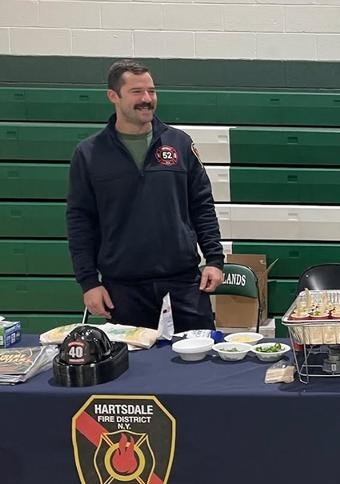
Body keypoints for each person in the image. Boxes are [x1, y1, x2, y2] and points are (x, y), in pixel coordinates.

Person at [67, 59, 224, 332]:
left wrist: (214, 259)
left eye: (151, 91)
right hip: (123, 289)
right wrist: (89, 282)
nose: (147, 99)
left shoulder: (179, 143)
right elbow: (80, 221)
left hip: (184, 283)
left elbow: (201, 205)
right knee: (132, 371)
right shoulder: (89, 153)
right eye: (137, 92)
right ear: (113, 96)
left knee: (198, 367)